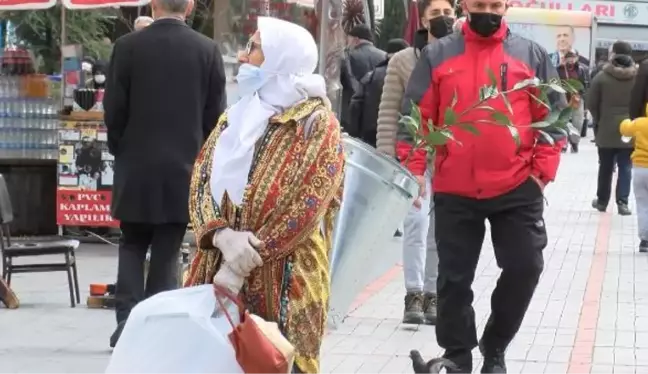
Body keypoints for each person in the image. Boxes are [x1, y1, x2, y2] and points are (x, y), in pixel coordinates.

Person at [399, 1, 567, 372]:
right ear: (465, 5)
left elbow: (554, 116)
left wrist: (540, 175)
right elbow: (415, 116)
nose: (486, 11)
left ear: (506, 6)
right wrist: (414, 171)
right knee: (453, 281)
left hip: (517, 187)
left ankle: (495, 347)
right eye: (479, 4)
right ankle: (457, 356)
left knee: (525, 266)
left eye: (494, 4)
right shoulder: (438, 54)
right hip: (455, 188)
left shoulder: (531, 55)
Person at [184, 17, 345, 374]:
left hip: (287, 279)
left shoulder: (316, 123)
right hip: (217, 271)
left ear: (280, 59)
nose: (244, 55)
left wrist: (242, 262)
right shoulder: (235, 117)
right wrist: (221, 236)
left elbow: (306, 204)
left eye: (254, 48)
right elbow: (201, 179)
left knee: (277, 362)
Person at [104, 0, 226, 348]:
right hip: (183, 167)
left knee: (130, 243)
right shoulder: (207, 50)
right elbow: (215, 117)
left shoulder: (127, 47)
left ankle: (126, 323)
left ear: (154, 5)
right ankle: (157, 324)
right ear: (189, 8)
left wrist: (122, 149)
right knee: (167, 248)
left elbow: (114, 110)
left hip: (136, 163)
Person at [377, 0, 455, 326]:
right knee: (415, 224)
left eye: (448, 13)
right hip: (413, 156)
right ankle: (413, 293)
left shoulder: (461, 57)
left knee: (440, 230)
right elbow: (389, 111)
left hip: (450, 158)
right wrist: (386, 157)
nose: (443, 19)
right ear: (423, 19)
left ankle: (434, 293)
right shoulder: (402, 61)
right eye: (436, 14)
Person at [588, 41, 637, 216]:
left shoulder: (601, 77)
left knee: (606, 167)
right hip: (630, 129)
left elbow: (591, 103)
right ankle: (622, 202)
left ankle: (602, 201)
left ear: (614, 55)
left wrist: (600, 120)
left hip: (606, 128)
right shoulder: (638, 77)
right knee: (626, 166)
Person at [347, 38, 409, 147]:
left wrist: (354, 134)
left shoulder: (371, 75)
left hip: (370, 136)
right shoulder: (408, 75)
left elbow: (355, 105)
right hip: (399, 138)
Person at [340, 24, 386, 130]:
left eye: (348, 41)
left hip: (353, 117)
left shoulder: (348, 56)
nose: (347, 44)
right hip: (378, 115)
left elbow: (349, 82)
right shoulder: (384, 56)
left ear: (355, 40)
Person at [620, 110, 648, 252]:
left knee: (643, 205)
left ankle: (644, 240)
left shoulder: (640, 123)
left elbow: (624, 128)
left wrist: (628, 120)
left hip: (640, 168)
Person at [557, 51, 589, 153]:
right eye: (569, 57)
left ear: (577, 58)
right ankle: (564, 143)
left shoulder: (582, 70)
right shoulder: (559, 69)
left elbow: (586, 85)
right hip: (563, 98)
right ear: (565, 58)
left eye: (573, 57)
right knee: (563, 121)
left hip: (577, 98)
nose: (571, 59)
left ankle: (575, 143)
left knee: (578, 122)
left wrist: (583, 98)